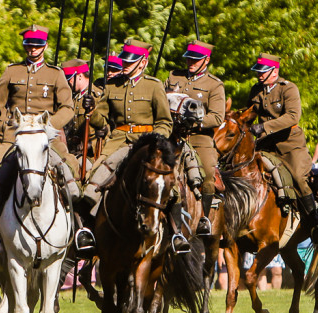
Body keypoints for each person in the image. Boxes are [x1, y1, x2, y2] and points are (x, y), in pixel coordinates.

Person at [0, 27, 79, 253]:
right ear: (24, 45)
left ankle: (79, 231)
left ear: (45, 45)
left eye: (37, 44)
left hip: (46, 136)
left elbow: (68, 107)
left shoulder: (55, 74)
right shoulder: (11, 72)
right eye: (29, 44)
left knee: (72, 177)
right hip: (15, 136)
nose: (33, 48)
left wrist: (49, 127)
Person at [79, 39, 174, 248]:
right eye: (124, 61)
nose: (125, 64)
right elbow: (100, 121)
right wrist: (90, 110)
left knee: (170, 187)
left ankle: (175, 232)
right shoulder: (112, 85)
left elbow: (165, 121)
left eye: (130, 62)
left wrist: (155, 140)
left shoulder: (154, 86)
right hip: (118, 141)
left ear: (143, 62)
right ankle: (88, 230)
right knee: (92, 182)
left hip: (147, 142)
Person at [246, 52, 318, 242]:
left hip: (290, 146)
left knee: (299, 177)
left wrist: (264, 127)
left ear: (274, 72)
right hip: (265, 146)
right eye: (257, 71)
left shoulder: (288, 89)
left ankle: (315, 225)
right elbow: (248, 113)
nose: (259, 75)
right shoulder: (256, 90)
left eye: (262, 71)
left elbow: (292, 117)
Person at [165, 40, 226, 236]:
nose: (191, 62)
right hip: (173, 135)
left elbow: (217, 116)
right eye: (189, 58)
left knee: (208, 174)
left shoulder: (214, 85)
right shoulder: (174, 76)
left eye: (196, 59)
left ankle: (204, 219)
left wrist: (196, 122)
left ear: (206, 60)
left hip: (199, 138)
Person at [61, 58, 98, 164]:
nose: (68, 83)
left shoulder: (96, 96)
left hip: (89, 153)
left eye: (70, 79)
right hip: (72, 150)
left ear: (80, 76)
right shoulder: (74, 98)